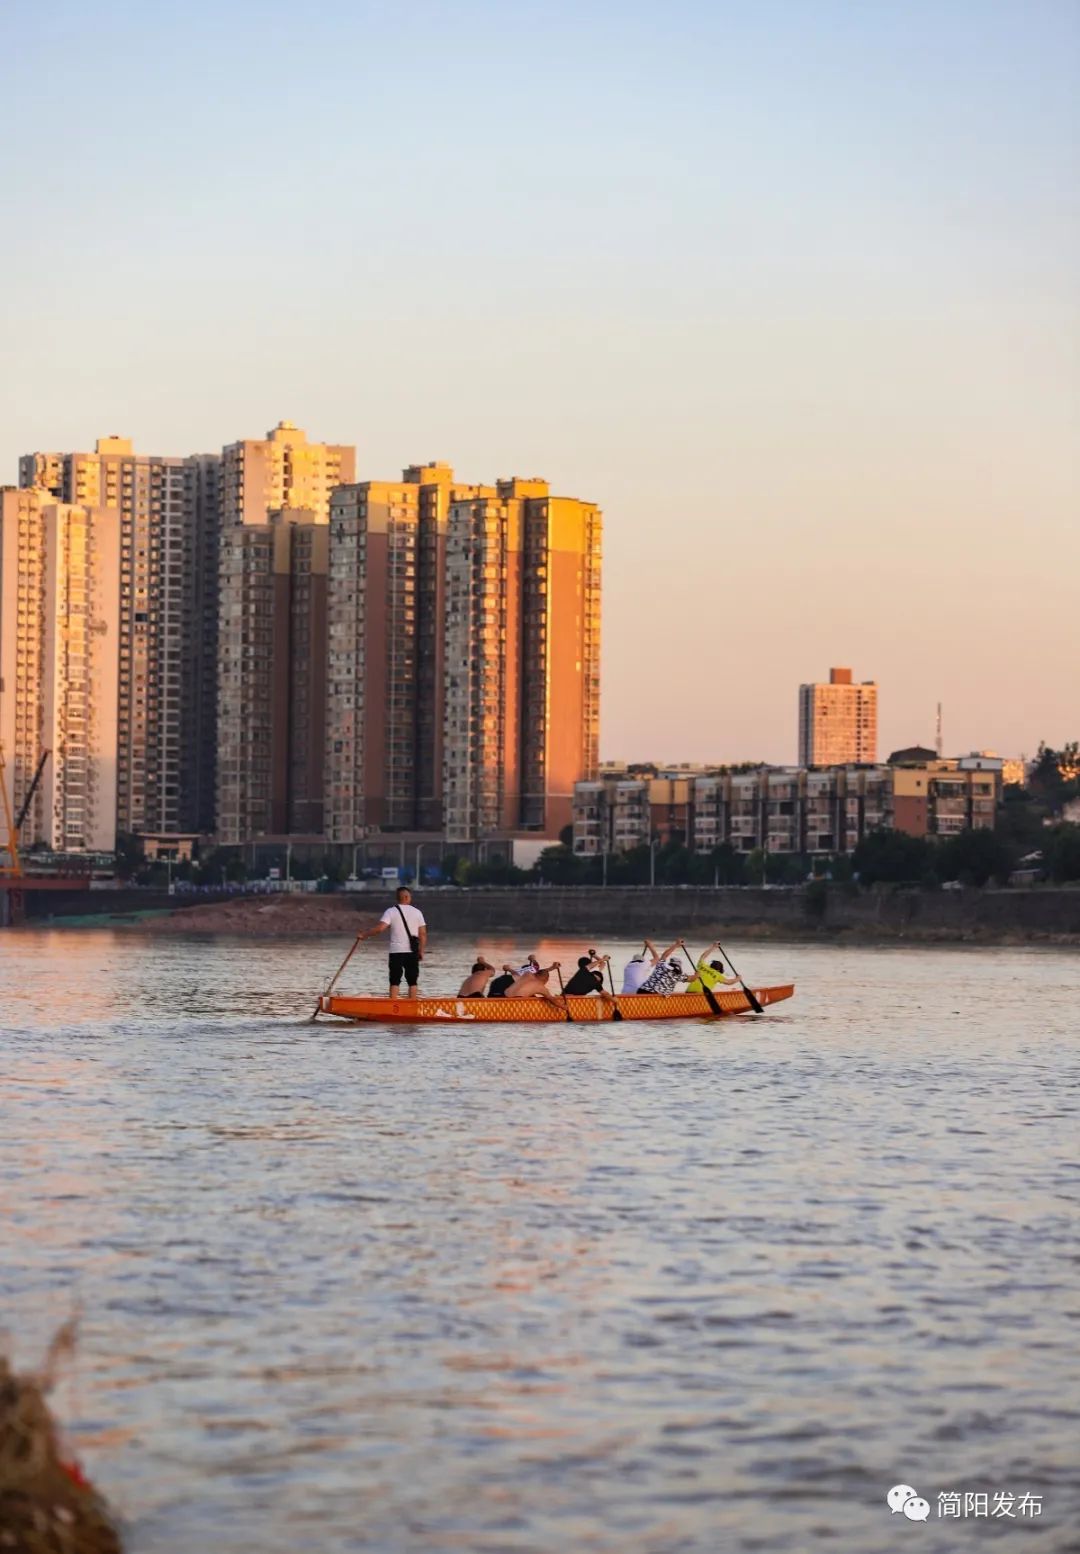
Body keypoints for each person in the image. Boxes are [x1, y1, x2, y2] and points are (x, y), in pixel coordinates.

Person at [357, 884, 428, 1000]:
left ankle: (393, 1004)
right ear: (406, 897)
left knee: (395, 980)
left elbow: (380, 929)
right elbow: (423, 934)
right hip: (412, 951)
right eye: (409, 896)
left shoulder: (391, 912)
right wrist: (421, 951)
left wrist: (364, 935)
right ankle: (412, 1004)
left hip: (396, 951)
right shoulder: (417, 912)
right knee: (412, 980)